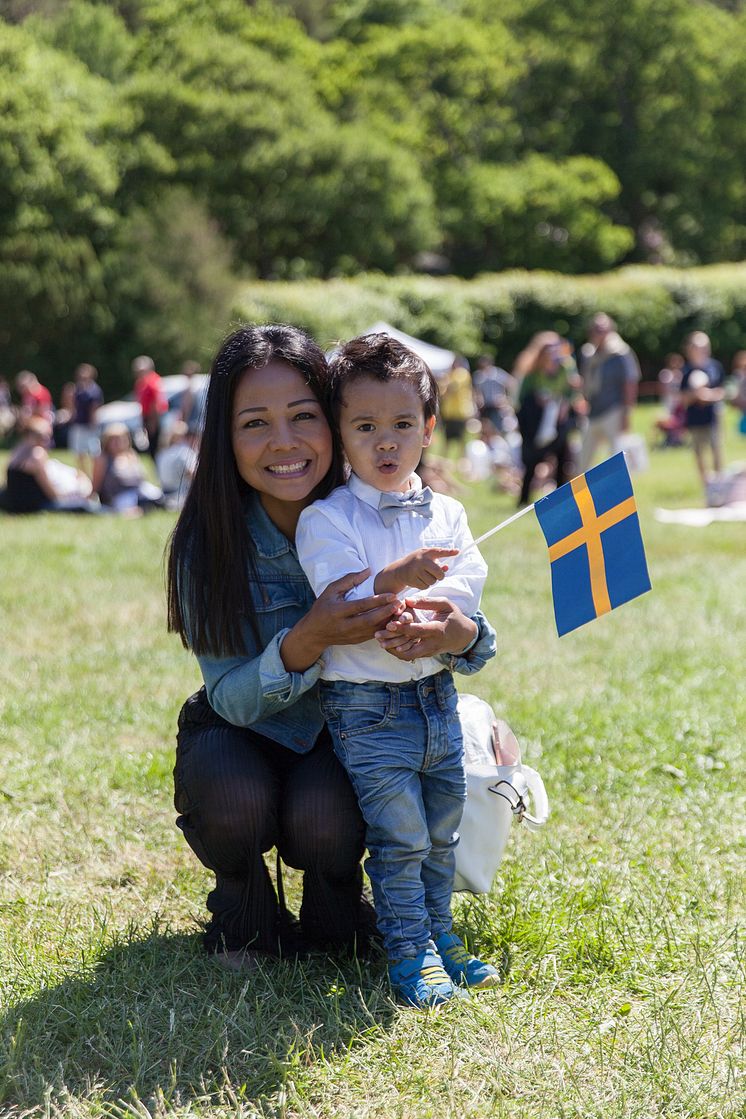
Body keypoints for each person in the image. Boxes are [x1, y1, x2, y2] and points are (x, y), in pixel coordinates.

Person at [166, 324, 496, 972]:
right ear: (225, 438)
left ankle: (337, 898)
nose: (284, 442)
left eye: (303, 417)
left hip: (350, 727)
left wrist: (462, 636)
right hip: (244, 727)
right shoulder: (210, 543)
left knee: (330, 825)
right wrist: (308, 638)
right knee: (233, 798)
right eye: (255, 423)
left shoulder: (376, 516)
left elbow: (461, 610)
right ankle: (243, 904)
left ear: (336, 423)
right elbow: (230, 695)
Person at [296, 333, 498, 1008]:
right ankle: (409, 951)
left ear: (429, 429)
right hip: (366, 707)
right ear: (341, 435)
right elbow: (342, 595)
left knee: (443, 826)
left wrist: (440, 619)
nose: (387, 442)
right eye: (366, 427)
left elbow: (470, 579)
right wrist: (397, 579)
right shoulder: (327, 518)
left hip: (435, 697)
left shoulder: (449, 512)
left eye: (403, 425)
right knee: (401, 832)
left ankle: (443, 938)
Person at [513, 332, 579, 508]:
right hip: (535, 421)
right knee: (531, 461)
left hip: (558, 419)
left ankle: (562, 500)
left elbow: (572, 391)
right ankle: (523, 500)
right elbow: (521, 399)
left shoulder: (566, 367)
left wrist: (565, 402)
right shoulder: (532, 372)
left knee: (564, 458)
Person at [578, 313, 640, 471]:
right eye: (596, 329)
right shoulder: (589, 353)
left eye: (602, 329)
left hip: (614, 410)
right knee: (583, 461)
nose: (599, 333)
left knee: (616, 458)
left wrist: (627, 412)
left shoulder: (620, 353)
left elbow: (630, 382)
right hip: (593, 412)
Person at [0, 416, 97, 514]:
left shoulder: (17, 451)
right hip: (32, 505)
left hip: (12, 504)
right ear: (32, 436)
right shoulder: (37, 454)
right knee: (83, 507)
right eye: (45, 437)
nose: (48, 442)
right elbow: (50, 493)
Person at [680, 331, 725, 485]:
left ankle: (720, 482)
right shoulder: (686, 371)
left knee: (716, 449)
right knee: (699, 452)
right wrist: (696, 395)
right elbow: (683, 397)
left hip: (712, 416)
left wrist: (708, 395)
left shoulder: (715, 367)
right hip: (694, 419)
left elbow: (722, 391)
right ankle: (706, 483)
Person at [92, 424, 164, 513]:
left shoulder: (131, 455)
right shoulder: (103, 459)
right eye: (113, 440)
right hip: (118, 498)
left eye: (120, 439)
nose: (117, 443)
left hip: (139, 491)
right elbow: (96, 486)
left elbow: (143, 477)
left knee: (158, 497)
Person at [69, 363, 104, 476]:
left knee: (94, 453)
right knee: (78, 452)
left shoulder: (94, 390)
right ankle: (83, 474)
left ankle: (95, 475)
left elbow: (95, 408)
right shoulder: (77, 389)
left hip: (90, 426)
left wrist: (94, 424)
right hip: (79, 424)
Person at [156, 420, 197, 509]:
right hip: (182, 497)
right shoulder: (185, 452)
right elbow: (194, 476)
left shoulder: (161, 454)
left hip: (165, 497)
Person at [438, 357, 475, 456]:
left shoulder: (462, 373)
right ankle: (446, 457)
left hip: (460, 411)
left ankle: (462, 458)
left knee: (461, 438)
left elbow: (452, 388)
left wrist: (445, 382)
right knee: (447, 437)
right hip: (450, 412)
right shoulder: (450, 375)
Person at [472, 354, 517, 433]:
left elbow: (511, 383)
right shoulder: (478, 376)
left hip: (498, 406)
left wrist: (505, 398)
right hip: (485, 406)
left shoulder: (497, 373)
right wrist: (478, 399)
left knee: (498, 428)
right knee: (484, 428)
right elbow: (476, 390)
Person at [133, 355, 167, 458]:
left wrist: (153, 422)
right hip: (147, 417)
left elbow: (156, 403)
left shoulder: (153, 381)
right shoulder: (140, 382)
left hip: (154, 418)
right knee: (150, 448)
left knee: (155, 447)